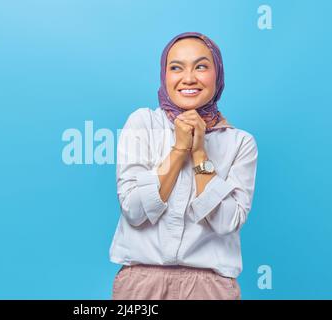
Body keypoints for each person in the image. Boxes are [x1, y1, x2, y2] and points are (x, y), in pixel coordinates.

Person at [109, 32, 258, 300]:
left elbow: (227, 222)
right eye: (176, 67)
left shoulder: (240, 143)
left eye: (201, 66)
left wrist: (200, 153)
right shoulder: (142, 123)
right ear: (164, 75)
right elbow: (133, 210)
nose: (188, 78)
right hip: (141, 285)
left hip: (211, 288)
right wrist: (179, 150)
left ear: (218, 74)